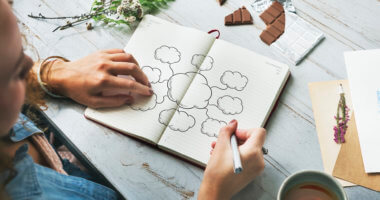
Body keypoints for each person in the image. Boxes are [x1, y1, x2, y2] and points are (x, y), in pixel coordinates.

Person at [0, 0, 266, 199]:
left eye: (21, 47)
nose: (28, 64)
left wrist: (50, 73)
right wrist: (213, 192)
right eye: (14, 71)